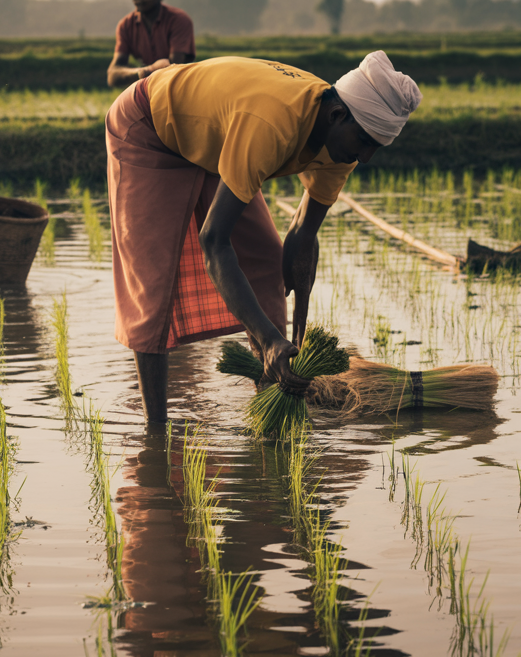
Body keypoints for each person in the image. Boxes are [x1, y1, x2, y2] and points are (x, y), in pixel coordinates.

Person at [104, 51, 421, 425]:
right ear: (338, 115)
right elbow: (214, 241)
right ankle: (155, 431)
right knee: (152, 285)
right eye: (365, 142)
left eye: (375, 148)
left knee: (267, 263)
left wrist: (299, 341)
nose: (365, 157)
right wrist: (269, 340)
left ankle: (275, 392)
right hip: (150, 127)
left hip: (213, 138)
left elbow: (303, 236)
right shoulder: (272, 124)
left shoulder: (342, 145)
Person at [108, 0, 195, 88]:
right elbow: (112, 75)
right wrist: (145, 71)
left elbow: (174, 69)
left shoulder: (178, 20)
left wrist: (147, 72)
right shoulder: (126, 26)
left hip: (179, 88)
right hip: (148, 89)